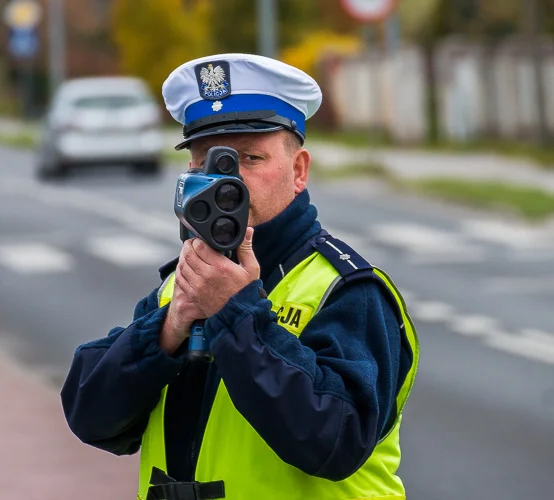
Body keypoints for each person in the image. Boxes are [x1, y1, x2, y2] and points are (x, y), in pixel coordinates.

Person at [61, 53, 419, 500]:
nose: (225, 183)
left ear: (299, 170)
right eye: (204, 164)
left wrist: (236, 312)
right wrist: (169, 329)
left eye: (248, 158)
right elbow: (90, 416)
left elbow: (334, 442)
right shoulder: (182, 286)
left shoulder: (347, 290)